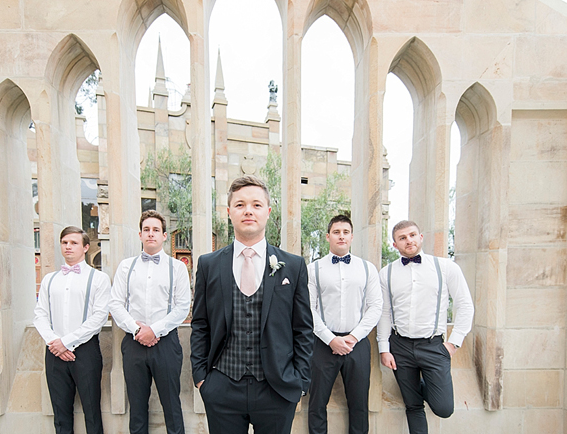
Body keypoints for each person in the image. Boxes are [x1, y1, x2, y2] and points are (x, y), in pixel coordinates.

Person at [190, 175, 314, 434]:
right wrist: (202, 378)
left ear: (268, 212)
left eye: (256, 205)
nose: (248, 211)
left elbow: (302, 328)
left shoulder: (293, 265)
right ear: (229, 212)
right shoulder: (209, 264)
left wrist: (300, 381)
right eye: (240, 205)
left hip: (277, 389)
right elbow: (200, 323)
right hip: (222, 387)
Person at [377, 220, 474, 434]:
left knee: (443, 408)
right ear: (395, 244)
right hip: (400, 346)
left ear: (421, 237)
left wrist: (454, 343)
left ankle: (417, 386)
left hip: (434, 347)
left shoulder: (446, 268)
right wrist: (384, 348)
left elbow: (465, 305)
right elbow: (384, 313)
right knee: (412, 406)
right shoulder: (387, 273)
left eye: (412, 235)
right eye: (402, 238)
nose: (408, 240)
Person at [109, 210, 190, 434]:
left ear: (164, 235)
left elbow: (183, 307)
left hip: (166, 344)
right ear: (140, 234)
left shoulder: (178, 267)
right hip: (133, 343)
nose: (151, 234)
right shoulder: (126, 267)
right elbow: (115, 304)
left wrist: (153, 330)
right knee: (137, 407)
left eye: (156, 230)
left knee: (172, 405)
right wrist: (138, 330)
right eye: (147, 230)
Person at [307, 215, 382, 434]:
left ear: (351, 237)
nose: (341, 236)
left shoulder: (368, 269)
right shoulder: (314, 269)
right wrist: (330, 339)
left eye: (346, 232)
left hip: (357, 345)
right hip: (322, 344)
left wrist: (354, 337)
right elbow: (308, 308)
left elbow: (376, 306)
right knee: (317, 403)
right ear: (328, 236)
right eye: (337, 232)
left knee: (359, 405)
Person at [33, 226, 111, 434]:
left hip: (85, 352)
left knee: (92, 413)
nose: (68, 247)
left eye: (74, 243)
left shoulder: (98, 279)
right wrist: (54, 342)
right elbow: (40, 314)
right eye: (65, 242)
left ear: (86, 247)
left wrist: (67, 342)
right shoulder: (49, 279)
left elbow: (99, 317)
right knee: (60, 414)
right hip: (54, 352)